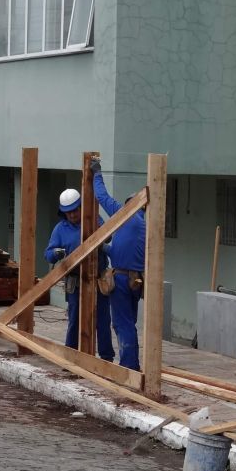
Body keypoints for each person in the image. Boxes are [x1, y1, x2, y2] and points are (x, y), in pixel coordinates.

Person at [44, 187, 115, 362]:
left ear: (81, 207)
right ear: (63, 213)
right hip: (75, 282)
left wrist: (99, 236)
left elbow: (109, 236)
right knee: (75, 319)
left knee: (102, 320)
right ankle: (71, 356)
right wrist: (57, 253)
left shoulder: (93, 220)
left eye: (75, 210)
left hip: (97, 278)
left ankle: (106, 358)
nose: (73, 215)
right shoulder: (60, 229)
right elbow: (48, 253)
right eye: (68, 212)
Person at [90, 157, 145, 371]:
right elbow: (124, 252)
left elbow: (101, 196)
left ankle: (128, 367)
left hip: (122, 279)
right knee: (129, 322)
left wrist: (97, 172)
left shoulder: (127, 215)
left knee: (123, 324)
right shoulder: (143, 225)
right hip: (136, 280)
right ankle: (133, 364)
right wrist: (103, 247)